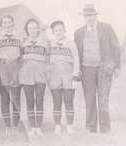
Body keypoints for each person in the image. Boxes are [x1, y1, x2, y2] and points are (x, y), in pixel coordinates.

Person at [74, 4, 121, 133]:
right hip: (87, 69)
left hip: (103, 69)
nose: (89, 18)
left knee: (103, 98)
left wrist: (117, 66)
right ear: (84, 17)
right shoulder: (78, 33)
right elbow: (76, 52)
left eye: (91, 15)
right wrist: (77, 70)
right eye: (87, 15)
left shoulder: (106, 28)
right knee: (89, 99)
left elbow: (116, 46)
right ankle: (90, 127)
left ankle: (105, 128)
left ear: (96, 16)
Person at [48, 21, 80, 134]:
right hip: (55, 77)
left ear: (64, 31)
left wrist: (75, 78)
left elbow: (76, 60)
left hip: (68, 76)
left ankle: (70, 125)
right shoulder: (50, 44)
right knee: (57, 102)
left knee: (69, 102)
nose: (58, 32)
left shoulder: (71, 43)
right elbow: (46, 61)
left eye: (60, 30)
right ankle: (57, 125)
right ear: (53, 32)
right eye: (56, 30)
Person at [0, 15, 23, 135]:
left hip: (15, 68)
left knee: (16, 98)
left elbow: (23, 53)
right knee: (4, 98)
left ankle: (15, 125)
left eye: (9, 22)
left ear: (13, 23)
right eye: (4, 23)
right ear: (1, 25)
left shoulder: (20, 36)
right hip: (3, 68)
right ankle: (7, 126)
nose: (7, 25)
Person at [20, 18, 49, 136]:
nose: (32, 30)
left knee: (40, 99)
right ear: (27, 29)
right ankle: (32, 126)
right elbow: (19, 58)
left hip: (40, 73)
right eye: (30, 28)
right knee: (30, 100)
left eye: (34, 27)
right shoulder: (23, 41)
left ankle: (39, 126)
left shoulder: (45, 41)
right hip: (27, 73)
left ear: (38, 28)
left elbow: (48, 57)